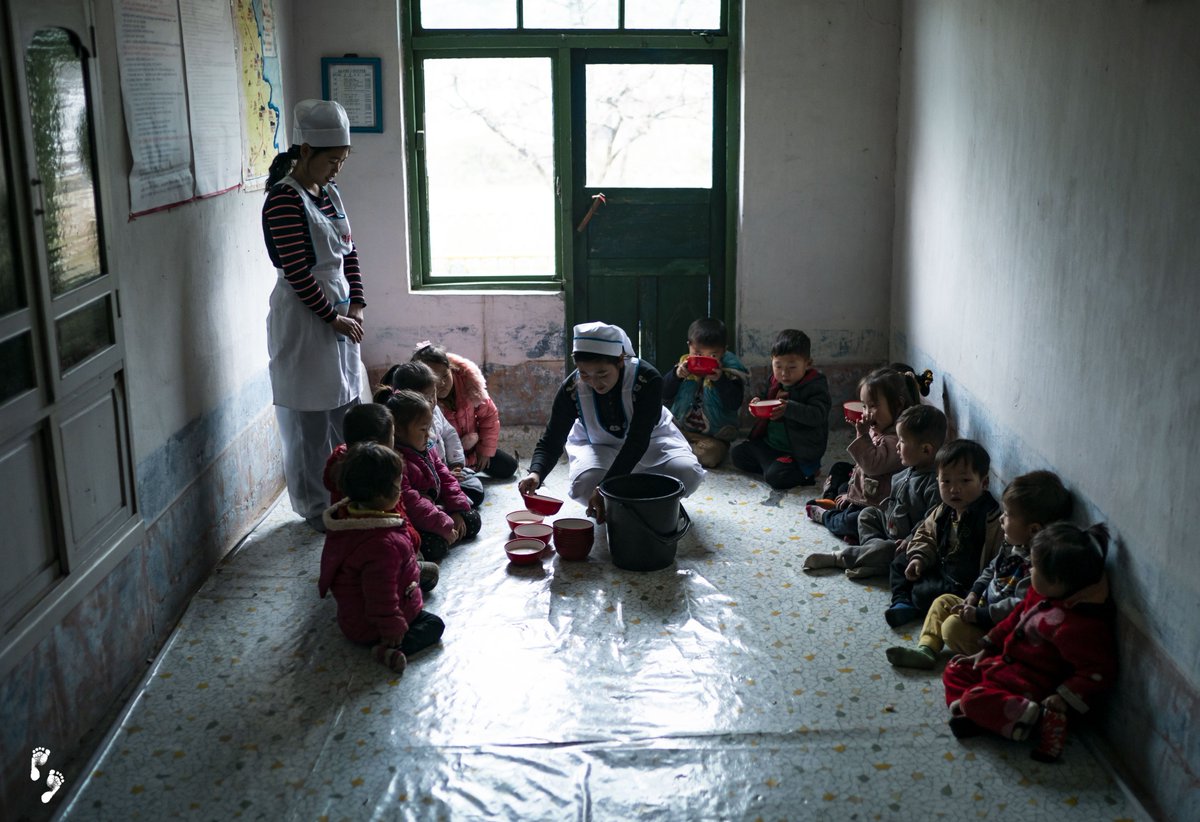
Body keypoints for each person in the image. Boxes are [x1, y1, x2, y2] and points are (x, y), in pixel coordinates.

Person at [262, 99, 364, 532]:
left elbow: (349, 252)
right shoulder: (284, 201)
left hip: (339, 311)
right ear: (306, 152)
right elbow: (297, 272)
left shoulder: (330, 193)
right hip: (305, 319)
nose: (336, 169)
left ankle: (350, 493)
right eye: (330, 161)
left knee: (346, 407)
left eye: (342, 160)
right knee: (309, 418)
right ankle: (313, 506)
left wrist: (355, 302)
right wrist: (331, 317)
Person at [942, 522, 1116, 762]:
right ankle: (972, 714)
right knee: (955, 668)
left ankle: (1028, 720)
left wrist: (1063, 697)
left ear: (1056, 582)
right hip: (1003, 665)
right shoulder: (1039, 594)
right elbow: (1014, 619)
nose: (1029, 570)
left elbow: (1097, 670)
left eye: (1033, 567)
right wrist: (987, 648)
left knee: (975, 698)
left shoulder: (1078, 626)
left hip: (1030, 687)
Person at [519, 321, 704, 521]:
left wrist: (604, 487)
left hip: (652, 441)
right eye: (584, 373)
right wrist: (536, 473)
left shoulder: (647, 379)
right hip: (598, 446)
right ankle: (638, 498)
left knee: (687, 474)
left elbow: (637, 441)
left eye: (602, 373)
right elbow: (552, 438)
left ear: (620, 361)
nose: (595, 382)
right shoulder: (571, 389)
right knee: (584, 487)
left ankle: (634, 501)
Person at [887, 470, 1072, 669]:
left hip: (999, 630)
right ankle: (927, 649)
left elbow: (1017, 608)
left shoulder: (1037, 570)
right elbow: (991, 570)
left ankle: (997, 660)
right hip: (981, 608)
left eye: (1008, 515)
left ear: (1033, 529)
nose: (1002, 519)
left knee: (952, 628)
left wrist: (979, 615)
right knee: (942, 602)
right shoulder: (1012, 545)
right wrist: (975, 593)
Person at [319, 442, 445, 675]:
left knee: (426, 575)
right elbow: (380, 595)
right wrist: (392, 627)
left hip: (354, 614)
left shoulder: (349, 515)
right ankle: (384, 649)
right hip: (371, 626)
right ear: (378, 494)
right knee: (434, 626)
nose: (400, 493)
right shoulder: (382, 544)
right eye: (398, 487)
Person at [804, 404, 946, 577]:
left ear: (926, 450)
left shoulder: (933, 485)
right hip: (890, 526)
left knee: (886, 548)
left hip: (903, 541)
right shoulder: (909, 469)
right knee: (867, 515)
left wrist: (910, 540)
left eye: (902, 441)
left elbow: (929, 523)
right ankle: (873, 559)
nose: (897, 447)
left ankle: (840, 559)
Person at [884, 439, 1003, 628]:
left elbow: (997, 562)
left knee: (925, 593)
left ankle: (914, 602)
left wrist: (978, 593)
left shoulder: (992, 520)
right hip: (940, 567)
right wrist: (919, 558)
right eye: (945, 481)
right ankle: (901, 602)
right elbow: (926, 534)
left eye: (965, 480)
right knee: (900, 561)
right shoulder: (944, 509)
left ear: (984, 482)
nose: (954, 489)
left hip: (963, 585)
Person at [321, 402, 437, 593]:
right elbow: (396, 516)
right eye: (392, 435)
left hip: (358, 553)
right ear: (380, 444)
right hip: (379, 552)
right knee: (430, 569)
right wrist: (412, 546)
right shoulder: (379, 473)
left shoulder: (343, 463)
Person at [806, 368, 921, 538]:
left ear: (898, 405)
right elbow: (860, 467)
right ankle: (833, 499)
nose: (866, 413)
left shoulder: (898, 440)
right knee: (840, 468)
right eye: (864, 406)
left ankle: (827, 516)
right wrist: (850, 494)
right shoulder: (882, 425)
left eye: (873, 406)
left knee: (852, 521)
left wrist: (862, 434)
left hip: (875, 504)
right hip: (867, 487)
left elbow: (872, 466)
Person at [379, 388, 480, 563]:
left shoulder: (427, 447)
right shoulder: (396, 462)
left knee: (472, 521)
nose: (430, 435)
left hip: (435, 508)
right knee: (434, 547)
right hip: (416, 519)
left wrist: (455, 509)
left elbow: (446, 477)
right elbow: (413, 504)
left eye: (429, 428)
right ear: (399, 431)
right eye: (423, 430)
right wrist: (444, 524)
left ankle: (449, 530)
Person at [730, 329, 830, 489]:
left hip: (798, 452)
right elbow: (765, 399)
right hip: (770, 445)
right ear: (772, 361)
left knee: (776, 477)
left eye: (792, 367)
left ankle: (804, 471)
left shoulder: (815, 385)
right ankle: (773, 465)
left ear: (807, 364)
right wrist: (758, 403)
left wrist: (788, 408)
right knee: (737, 455)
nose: (784, 373)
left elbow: (818, 414)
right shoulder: (774, 381)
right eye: (778, 366)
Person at [381, 361, 485, 508]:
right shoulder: (403, 430)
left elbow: (449, 434)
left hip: (444, 471)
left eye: (433, 394)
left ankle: (444, 500)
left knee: (475, 486)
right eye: (425, 397)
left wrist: (456, 464)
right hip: (428, 483)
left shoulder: (435, 410)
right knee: (474, 495)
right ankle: (438, 503)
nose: (431, 401)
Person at [412, 342, 519, 479]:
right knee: (468, 492)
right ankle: (465, 471)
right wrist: (451, 468)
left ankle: (471, 467)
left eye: (445, 376)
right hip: (447, 456)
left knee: (509, 467)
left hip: (474, 448)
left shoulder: (469, 385)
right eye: (435, 380)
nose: (442, 384)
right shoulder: (427, 403)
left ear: (451, 369)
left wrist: (485, 450)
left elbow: (489, 416)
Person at [662, 318, 750, 468]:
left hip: (714, 437)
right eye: (697, 353)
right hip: (683, 430)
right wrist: (676, 375)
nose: (704, 359)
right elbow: (664, 393)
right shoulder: (685, 364)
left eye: (712, 356)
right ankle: (681, 450)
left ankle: (678, 451)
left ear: (724, 350)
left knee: (709, 456)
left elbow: (733, 403)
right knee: (652, 437)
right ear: (689, 346)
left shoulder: (731, 372)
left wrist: (720, 380)